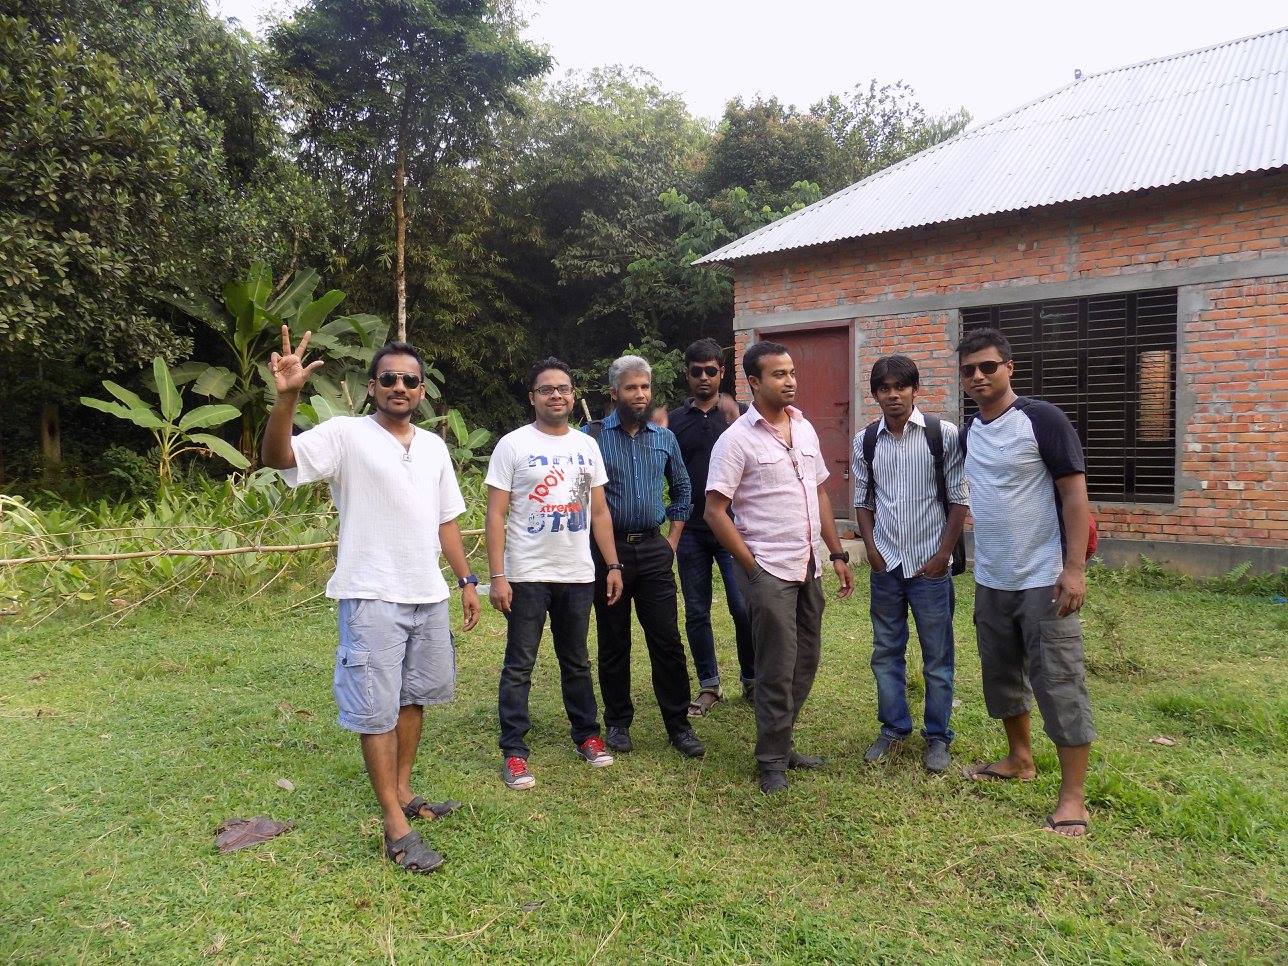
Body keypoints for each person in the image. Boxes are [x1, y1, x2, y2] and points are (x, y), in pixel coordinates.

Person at [262, 330, 480, 874]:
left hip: (427, 593)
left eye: (409, 380)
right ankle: (394, 824)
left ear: (422, 390)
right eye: (388, 378)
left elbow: (446, 521)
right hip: (371, 594)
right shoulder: (345, 436)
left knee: (413, 698)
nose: (399, 387)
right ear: (371, 386)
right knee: (375, 708)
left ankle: (404, 791)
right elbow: (279, 457)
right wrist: (287, 397)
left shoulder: (433, 447)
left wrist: (466, 579)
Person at [957, 327, 1095, 837]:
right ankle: (1020, 759)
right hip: (992, 578)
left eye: (988, 366)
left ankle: (1073, 797)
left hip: (1044, 578)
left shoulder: (1043, 420)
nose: (978, 376)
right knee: (1001, 676)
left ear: (1009, 367)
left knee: (1059, 682)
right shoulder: (970, 432)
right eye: (969, 370)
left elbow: (1074, 495)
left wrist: (1074, 568)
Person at [705, 341, 854, 794]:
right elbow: (715, 512)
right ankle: (771, 760)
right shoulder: (735, 440)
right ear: (754, 382)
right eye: (779, 374)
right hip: (768, 568)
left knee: (805, 660)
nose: (790, 381)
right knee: (776, 665)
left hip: (808, 563)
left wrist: (837, 552)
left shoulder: (804, 428)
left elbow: (819, 492)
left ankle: (782, 742)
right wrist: (751, 568)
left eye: (792, 372)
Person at [485, 358, 624, 791]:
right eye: (546, 389)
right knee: (519, 664)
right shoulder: (512, 445)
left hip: (577, 572)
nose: (556, 395)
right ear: (533, 397)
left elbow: (598, 511)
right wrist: (498, 575)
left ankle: (587, 735)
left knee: (576, 660)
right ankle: (514, 751)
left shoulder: (586, 446)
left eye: (563, 388)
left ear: (573, 395)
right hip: (526, 572)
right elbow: (495, 514)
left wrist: (612, 564)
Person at [851, 355, 968, 773]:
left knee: (937, 657)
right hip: (887, 566)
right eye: (884, 388)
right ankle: (893, 728)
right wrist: (871, 549)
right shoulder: (866, 440)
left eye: (900, 387)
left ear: (915, 389)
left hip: (929, 568)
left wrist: (942, 556)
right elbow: (862, 500)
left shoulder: (942, 434)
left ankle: (937, 736)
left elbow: (958, 498)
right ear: (875, 394)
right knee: (885, 652)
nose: (893, 395)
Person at [586, 355, 705, 759]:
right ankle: (618, 722)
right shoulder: (592, 438)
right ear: (614, 392)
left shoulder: (664, 438)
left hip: (655, 549)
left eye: (645, 387)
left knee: (666, 640)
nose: (639, 394)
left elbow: (683, 488)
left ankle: (679, 724)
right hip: (609, 551)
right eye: (631, 387)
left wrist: (672, 539)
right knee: (613, 639)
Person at [668, 339, 754, 715]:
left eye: (711, 370)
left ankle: (752, 679)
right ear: (687, 374)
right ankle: (709, 685)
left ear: (722, 372)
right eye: (696, 371)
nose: (704, 377)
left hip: (735, 528)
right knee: (697, 611)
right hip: (691, 531)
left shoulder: (744, 416)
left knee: (743, 606)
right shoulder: (673, 422)